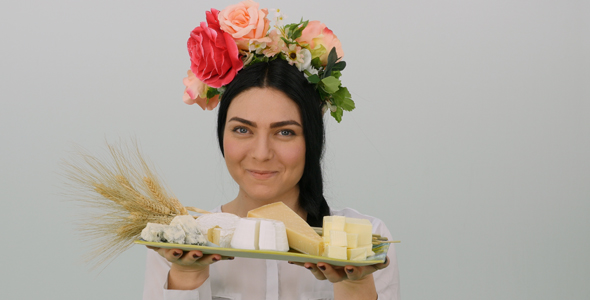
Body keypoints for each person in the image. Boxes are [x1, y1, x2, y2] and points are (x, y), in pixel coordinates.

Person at [143, 1, 400, 299]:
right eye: (242, 130)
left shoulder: (367, 241)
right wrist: (187, 279)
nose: (262, 153)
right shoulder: (180, 242)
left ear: (312, 140)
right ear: (221, 134)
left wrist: (354, 287)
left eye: (285, 132)